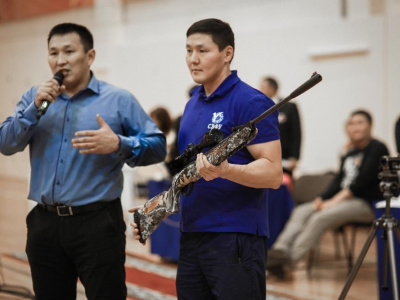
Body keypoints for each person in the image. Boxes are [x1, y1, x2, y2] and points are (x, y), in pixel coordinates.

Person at [0, 23, 166, 299]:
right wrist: (34, 109)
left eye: (69, 51)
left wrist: (118, 144)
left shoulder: (118, 100)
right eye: (53, 52)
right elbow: (6, 144)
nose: (60, 60)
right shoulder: (35, 98)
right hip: (45, 224)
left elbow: (158, 147)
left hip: (97, 223)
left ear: (90, 56)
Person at [131, 18, 282, 299]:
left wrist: (226, 170)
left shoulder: (252, 101)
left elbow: (273, 174)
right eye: (188, 51)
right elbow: (187, 174)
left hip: (236, 237)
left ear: (227, 53)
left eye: (202, 50)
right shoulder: (191, 105)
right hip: (191, 236)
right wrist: (159, 204)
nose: (193, 59)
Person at [266, 109, 389, 278]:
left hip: (365, 204)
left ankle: (286, 264)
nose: (355, 127)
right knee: (302, 211)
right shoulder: (350, 152)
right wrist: (321, 199)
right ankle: (276, 255)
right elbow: (338, 181)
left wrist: (331, 202)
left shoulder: (377, 147)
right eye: (351, 123)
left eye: (360, 122)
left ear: (370, 125)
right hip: (342, 200)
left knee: (320, 217)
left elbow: (360, 184)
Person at [260, 76, 301, 189]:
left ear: (272, 88)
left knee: (283, 187)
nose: (260, 90)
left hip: (285, 156)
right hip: (263, 156)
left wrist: (294, 157)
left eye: (263, 87)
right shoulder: (258, 108)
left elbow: (296, 134)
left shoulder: (289, 107)